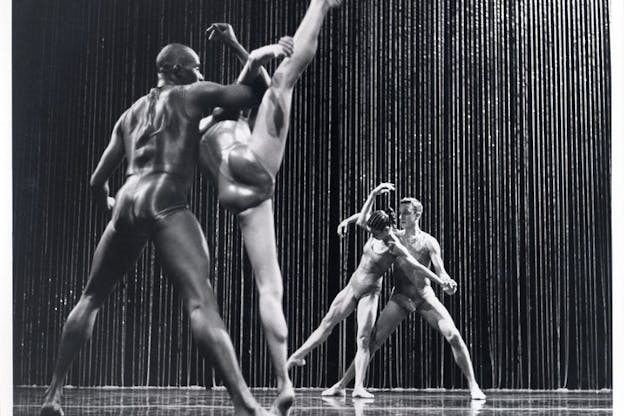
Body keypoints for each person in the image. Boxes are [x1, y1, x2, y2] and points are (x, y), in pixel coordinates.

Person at [39, 38, 293, 416]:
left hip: (126, 200)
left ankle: (53, 395)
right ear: (177, 70)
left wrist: (109, 207)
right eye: (195, 67)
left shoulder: (129, 115)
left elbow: (96, 182)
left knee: (91, 297)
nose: (200, 73)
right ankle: (247, 405)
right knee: (200, 299)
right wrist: (262, 54)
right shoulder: (192, 94)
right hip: (165, 199)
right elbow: (253, 93)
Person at [198, 0, 342, 412]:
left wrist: (242, 47)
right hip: (253, 168)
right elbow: (263, 82)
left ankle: (283, 385)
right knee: (284, 81)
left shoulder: (199, 123)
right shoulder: (228, 110)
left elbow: (250, 83)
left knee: (268, 286)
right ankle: (321, 4)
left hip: (232, 192)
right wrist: (253, 50)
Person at [286, 183, 457, 398]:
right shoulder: (376, 227)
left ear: (386, 231)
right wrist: (372, 195)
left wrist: (440, 281)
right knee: (326, 324)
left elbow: (416, 266)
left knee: (364, 339)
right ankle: (296, 357)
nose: (371, 234)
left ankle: (358, 387)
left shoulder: (395, 243)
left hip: (370, 293)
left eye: (375, 233)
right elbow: (362, 217)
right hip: (352, 286)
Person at [322, 197, 486, 400]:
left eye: (406, 213)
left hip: (425, 297)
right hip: (400, 298)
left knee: (453, 335)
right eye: (400, 213)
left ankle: (473, 385)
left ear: (418, 215)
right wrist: (346, 221)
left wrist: (447, 281)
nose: (401, 217)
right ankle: (341, 385)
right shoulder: (393, 236)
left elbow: (440, 271)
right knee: (370, 341)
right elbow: (367, 220)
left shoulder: (429, 241)